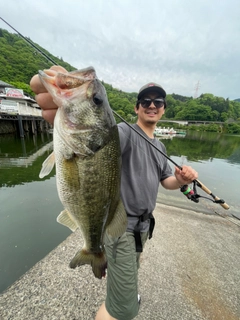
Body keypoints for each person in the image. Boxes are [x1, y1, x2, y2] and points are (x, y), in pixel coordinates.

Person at [30, 66, 198, 320]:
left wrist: (179, 178)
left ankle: (121, 291)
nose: (152, 105)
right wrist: (69, 110)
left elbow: (167, 182)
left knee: (128, 272)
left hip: (143, 228)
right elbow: (98, 136)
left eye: (158, 101)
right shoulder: (124, 133)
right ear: (137, 107)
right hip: (122, 228)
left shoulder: (160, 145)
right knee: (123, 310)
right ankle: (121, 302)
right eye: (146, 101)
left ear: (163, 108)